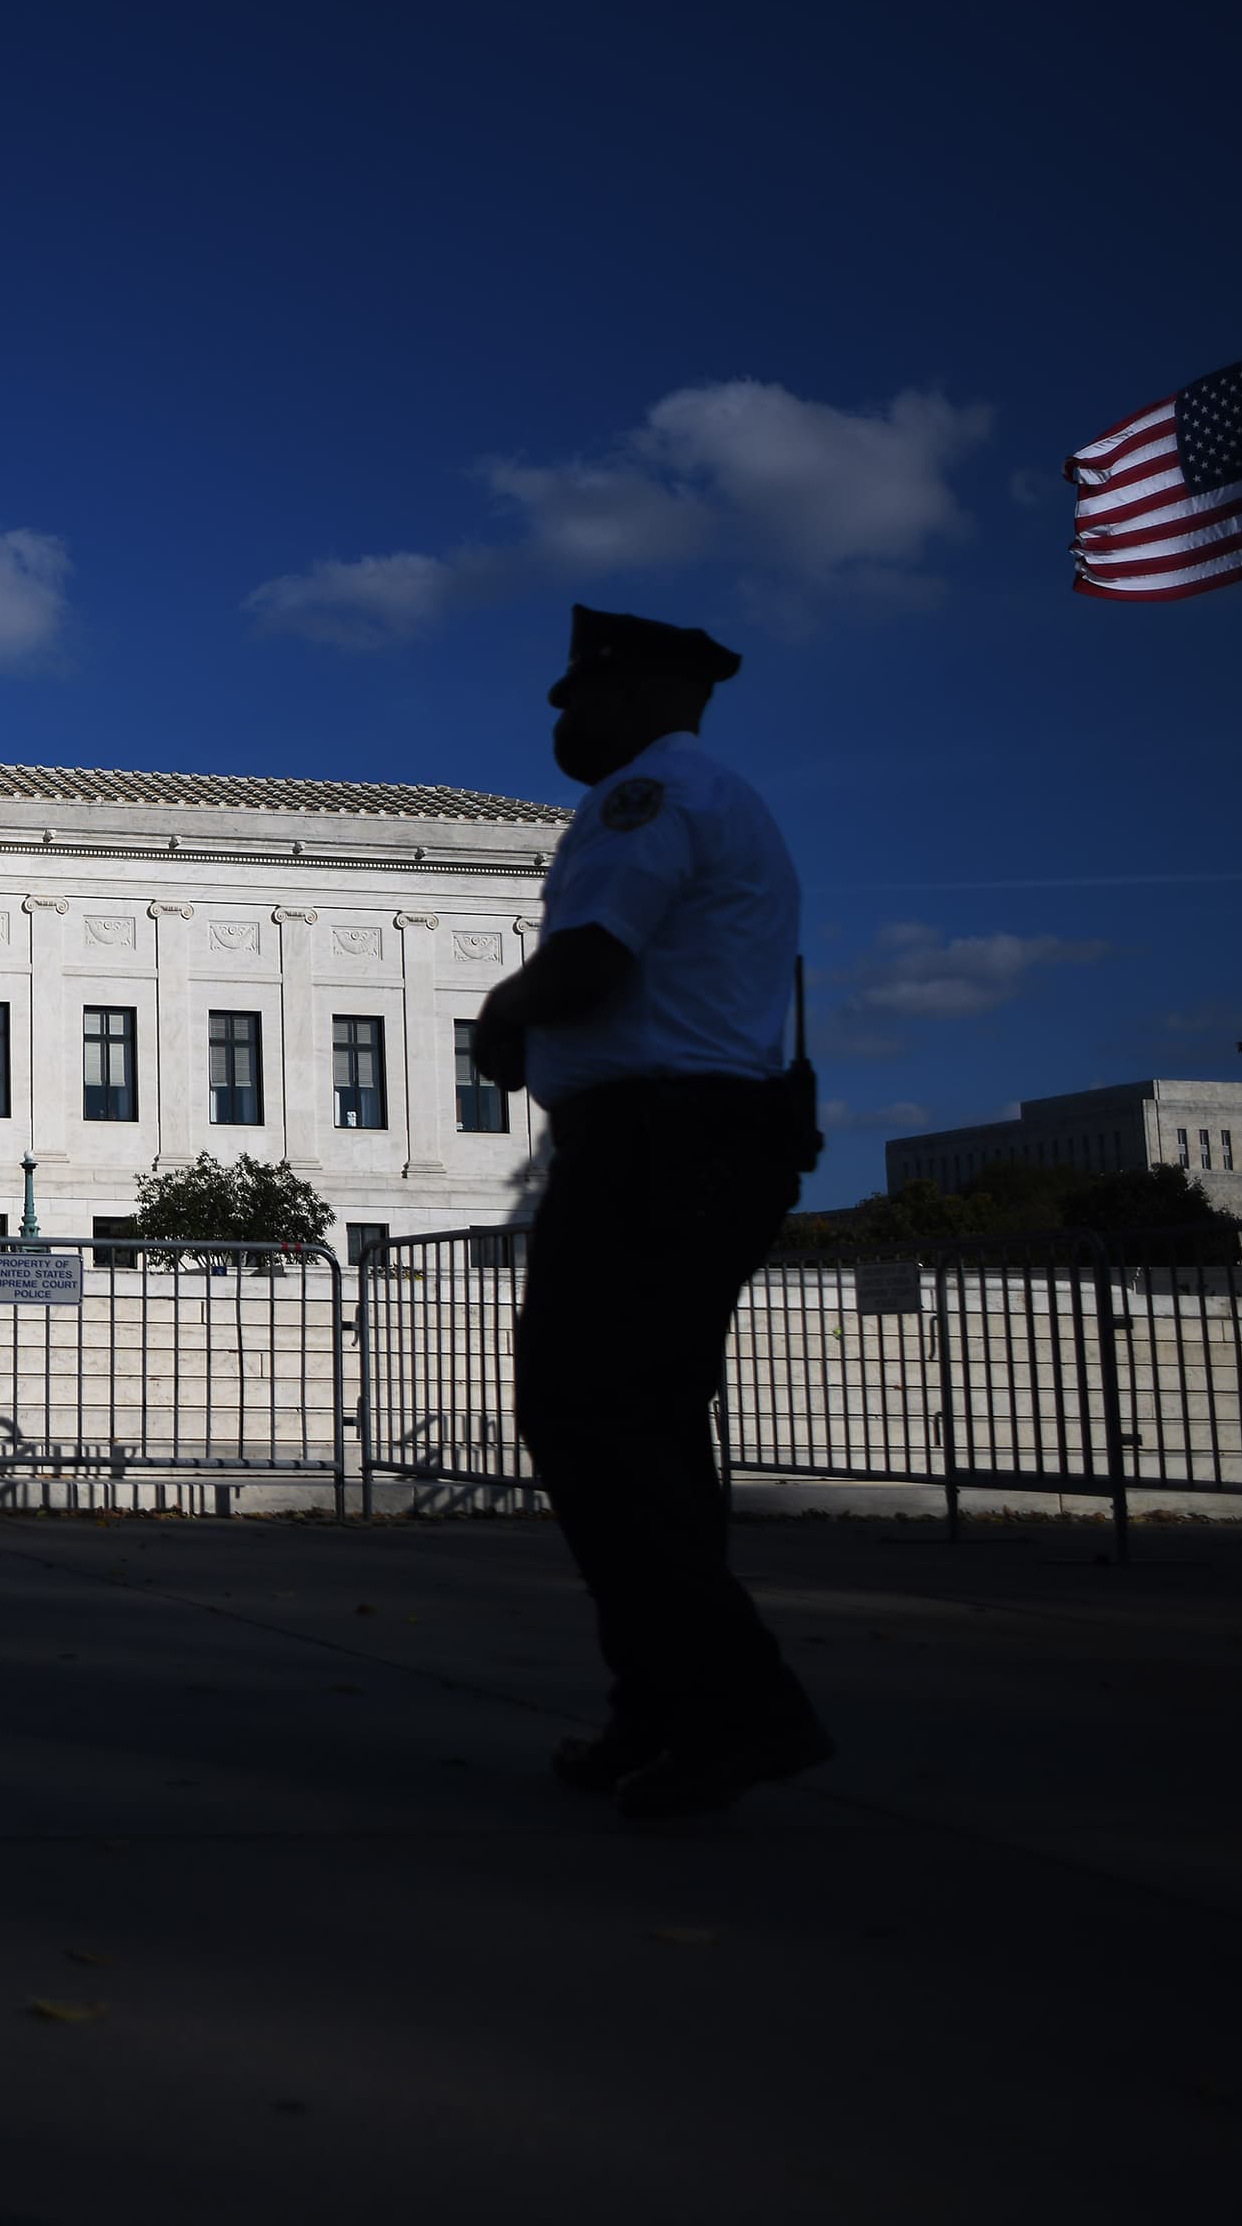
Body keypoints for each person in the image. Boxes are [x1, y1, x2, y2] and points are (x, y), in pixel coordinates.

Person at [469, 605, 829, 1819]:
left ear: (637, 696)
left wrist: (505, 1013)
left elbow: (593, 959)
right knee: (650, 1432)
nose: (565, 716)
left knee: (591, 1418)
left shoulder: (647, 800)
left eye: (580, 696)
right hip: (704, 1143)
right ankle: (668, 1709)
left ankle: (735, 1704)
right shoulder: (721, 800)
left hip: (657, 1146)